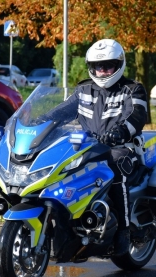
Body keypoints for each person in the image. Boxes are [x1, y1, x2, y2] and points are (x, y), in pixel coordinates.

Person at [46, 39, 148, 256]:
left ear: (119, 64)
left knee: (115, 168)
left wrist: (120, 132)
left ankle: (124, 231)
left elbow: (137, 116)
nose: (102, 71)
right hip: (89, 147)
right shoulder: (83, 89)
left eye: (108, 66)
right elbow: (62, 111)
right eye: (97, 66)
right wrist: (42, 121)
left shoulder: (132, 89)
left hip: (122, 147)